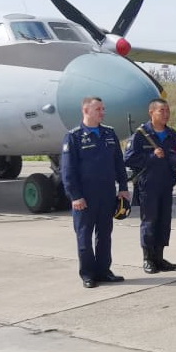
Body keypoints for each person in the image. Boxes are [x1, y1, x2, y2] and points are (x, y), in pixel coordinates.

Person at [61, 97, 131, 288]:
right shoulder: (74, 137)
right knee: (84, 237)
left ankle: (103, 271)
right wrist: (75, 196)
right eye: (98, 109)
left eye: (103, 109)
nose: (102, 112)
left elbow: (119, 163)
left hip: (107, 194)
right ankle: (88, 274)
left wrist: (123, 188)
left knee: (105, 235)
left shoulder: (109, 133)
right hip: (84, 197)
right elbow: (68, 171)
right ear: (86, 110)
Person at [124, 98, 176, 274]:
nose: (166, 114)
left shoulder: (172, 135)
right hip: (148, 185)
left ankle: (159, 256)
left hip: (167, 185)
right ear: (151, 113)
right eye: (161, 111)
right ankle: (148, 258)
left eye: (167, 111)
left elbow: (174, 157)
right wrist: (151, 157)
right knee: (150, 221)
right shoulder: (141, 135)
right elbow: (128, 158)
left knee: (164, 222)